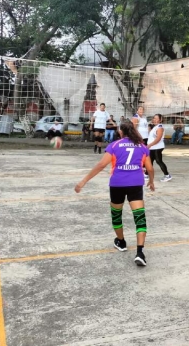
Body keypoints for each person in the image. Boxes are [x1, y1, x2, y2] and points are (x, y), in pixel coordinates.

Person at [75, 122, 155, 267]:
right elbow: (150, 168)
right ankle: (140, 252)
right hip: (135, 184)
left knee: (116, 215)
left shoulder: (114, 145)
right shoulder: (142, 147)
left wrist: (83, 181)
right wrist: (152, 182)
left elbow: (101, 165)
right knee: (140, 218)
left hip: (117, 184)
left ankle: (121, 242)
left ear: (121, 132)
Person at [147, 114, 172, 182]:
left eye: (156, 118)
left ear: (160, 120)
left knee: (159, 161)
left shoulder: (160, 127)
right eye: (154, 118)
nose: (154, 119)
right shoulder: (155, 127)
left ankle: (167, 175)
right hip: (153, 147)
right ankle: (147, 174)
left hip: (157, 147)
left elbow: (158, 139)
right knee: (150, 161)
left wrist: (150, 145)